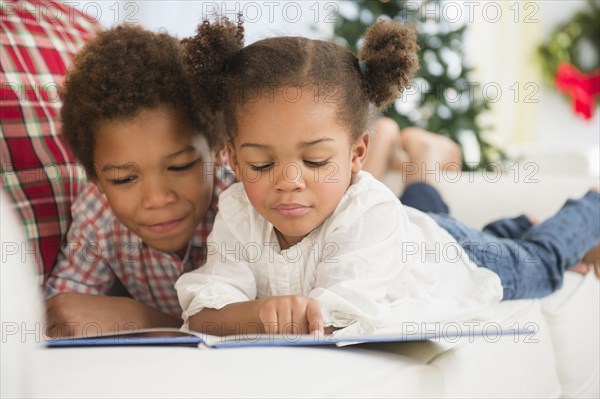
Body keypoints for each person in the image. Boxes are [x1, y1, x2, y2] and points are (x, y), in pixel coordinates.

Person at [175, 16, 600, 338]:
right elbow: (203, 314)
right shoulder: (236, 209)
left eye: (317, 161)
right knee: (434, 222)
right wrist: (256, 314)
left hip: (459, 256)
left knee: (541, 266)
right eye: (261, 165)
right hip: (413, 231)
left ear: (358, 152)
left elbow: (339, 320)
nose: (288, 180)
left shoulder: (368, 211)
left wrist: (267, 315)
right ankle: (515, 226)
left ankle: (592, 206)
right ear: (230, 155)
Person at [43, 25, 235, 337]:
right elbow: (64, 312)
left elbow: (277, 328)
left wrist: (145, 320)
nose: (157, 198)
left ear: (219, 149)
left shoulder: (247, 204)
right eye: (124, 178)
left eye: (180, 166)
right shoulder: (97, 214)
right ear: (96, 179)